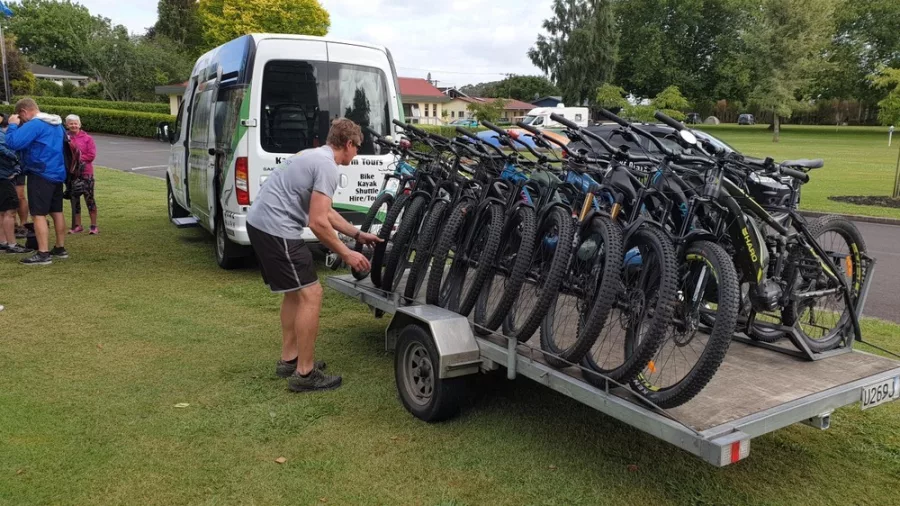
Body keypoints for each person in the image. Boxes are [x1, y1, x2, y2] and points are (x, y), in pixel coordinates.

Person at [246, 118, 381, 393]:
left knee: (295, 293)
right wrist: (347, 254)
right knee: (312, 294)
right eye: (357, 148)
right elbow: (317, 222)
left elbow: (325, 211)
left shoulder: (314, 155)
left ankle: (289, 360)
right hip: (276, 229)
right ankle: (305, 374)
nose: (357, 154)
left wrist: (356, 235)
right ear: (348, 143)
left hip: (261, 223)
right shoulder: (327, 166)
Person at [6, 98, 68, 265]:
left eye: (20, 116)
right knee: (57, 211)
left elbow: (13, 143)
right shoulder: (56, 123)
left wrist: (12, 125)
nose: (21, 120)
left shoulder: (35, 124)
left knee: (38, 214)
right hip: (57, 172)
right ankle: (60, 247)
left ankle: (43, 253)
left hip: (40, 173)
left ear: (24, 112)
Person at [0, 113, 31, 254]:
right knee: (10, 211)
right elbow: (3, 149)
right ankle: (11, 245)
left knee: (2, 211)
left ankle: (3, 242)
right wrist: (17, 162)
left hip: (5, 175)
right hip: (4, 177)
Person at [64, 114, 98, 235]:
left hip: (86, 173)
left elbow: (91, 155)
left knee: (89, 198)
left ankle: (93, 225)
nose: (73, 125)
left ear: (79, 124)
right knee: (74, 199)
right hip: (72, 174)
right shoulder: (65, 138)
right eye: (71, 123)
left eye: (75, 123)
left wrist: (76, 158)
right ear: (67, 125)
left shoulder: (87, 138)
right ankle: (77, 225)